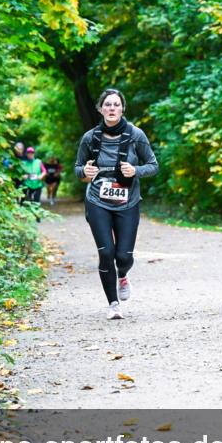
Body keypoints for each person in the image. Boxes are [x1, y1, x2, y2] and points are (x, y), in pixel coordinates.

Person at [75, 88, 159, 320]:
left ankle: (123, 274)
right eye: (107, 105)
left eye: (116, 104)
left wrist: (136, 170)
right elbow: (78, 168)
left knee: (123, 256)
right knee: (106, 253)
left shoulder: (136, 135)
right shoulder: (90, 137)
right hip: (97, 200)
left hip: (127, 202)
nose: (112, 108)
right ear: (101, 109)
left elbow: (153, 165)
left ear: (122, 109)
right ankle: (113, 304)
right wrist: (85, 171)